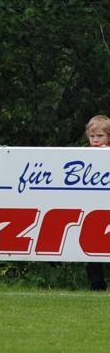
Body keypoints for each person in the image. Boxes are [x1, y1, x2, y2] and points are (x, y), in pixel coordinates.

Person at [83, 114, 110, 291]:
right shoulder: (84, 156)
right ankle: (97, 286)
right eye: (92, 136)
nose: (95, 140)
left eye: (100, 136)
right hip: (92, 210)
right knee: (91, 250)